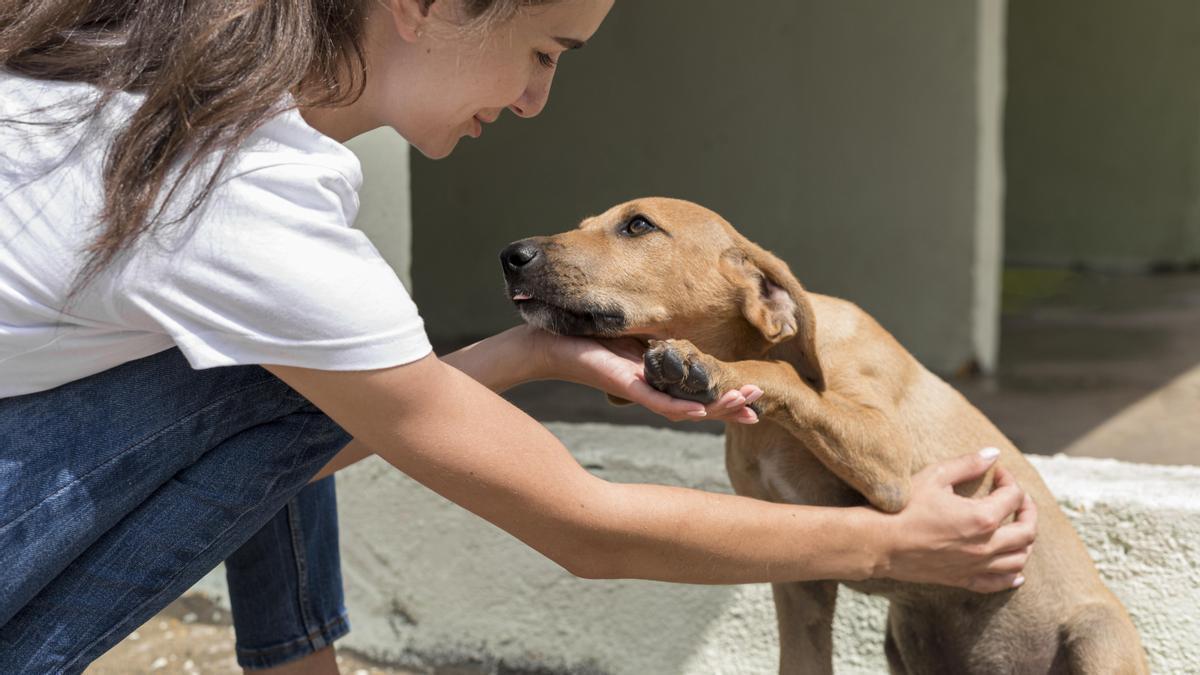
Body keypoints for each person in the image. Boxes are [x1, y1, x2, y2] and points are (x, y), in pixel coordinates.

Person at [0, 1, 1037, 673]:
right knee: (284, 373)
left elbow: (355, 410)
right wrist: (895, 542)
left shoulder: (142, 88)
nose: (538, 101)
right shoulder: (239, 198)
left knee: (301, 368)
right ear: (426, 9)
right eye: (542, 53)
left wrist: (537, 351)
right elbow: (581, 525)